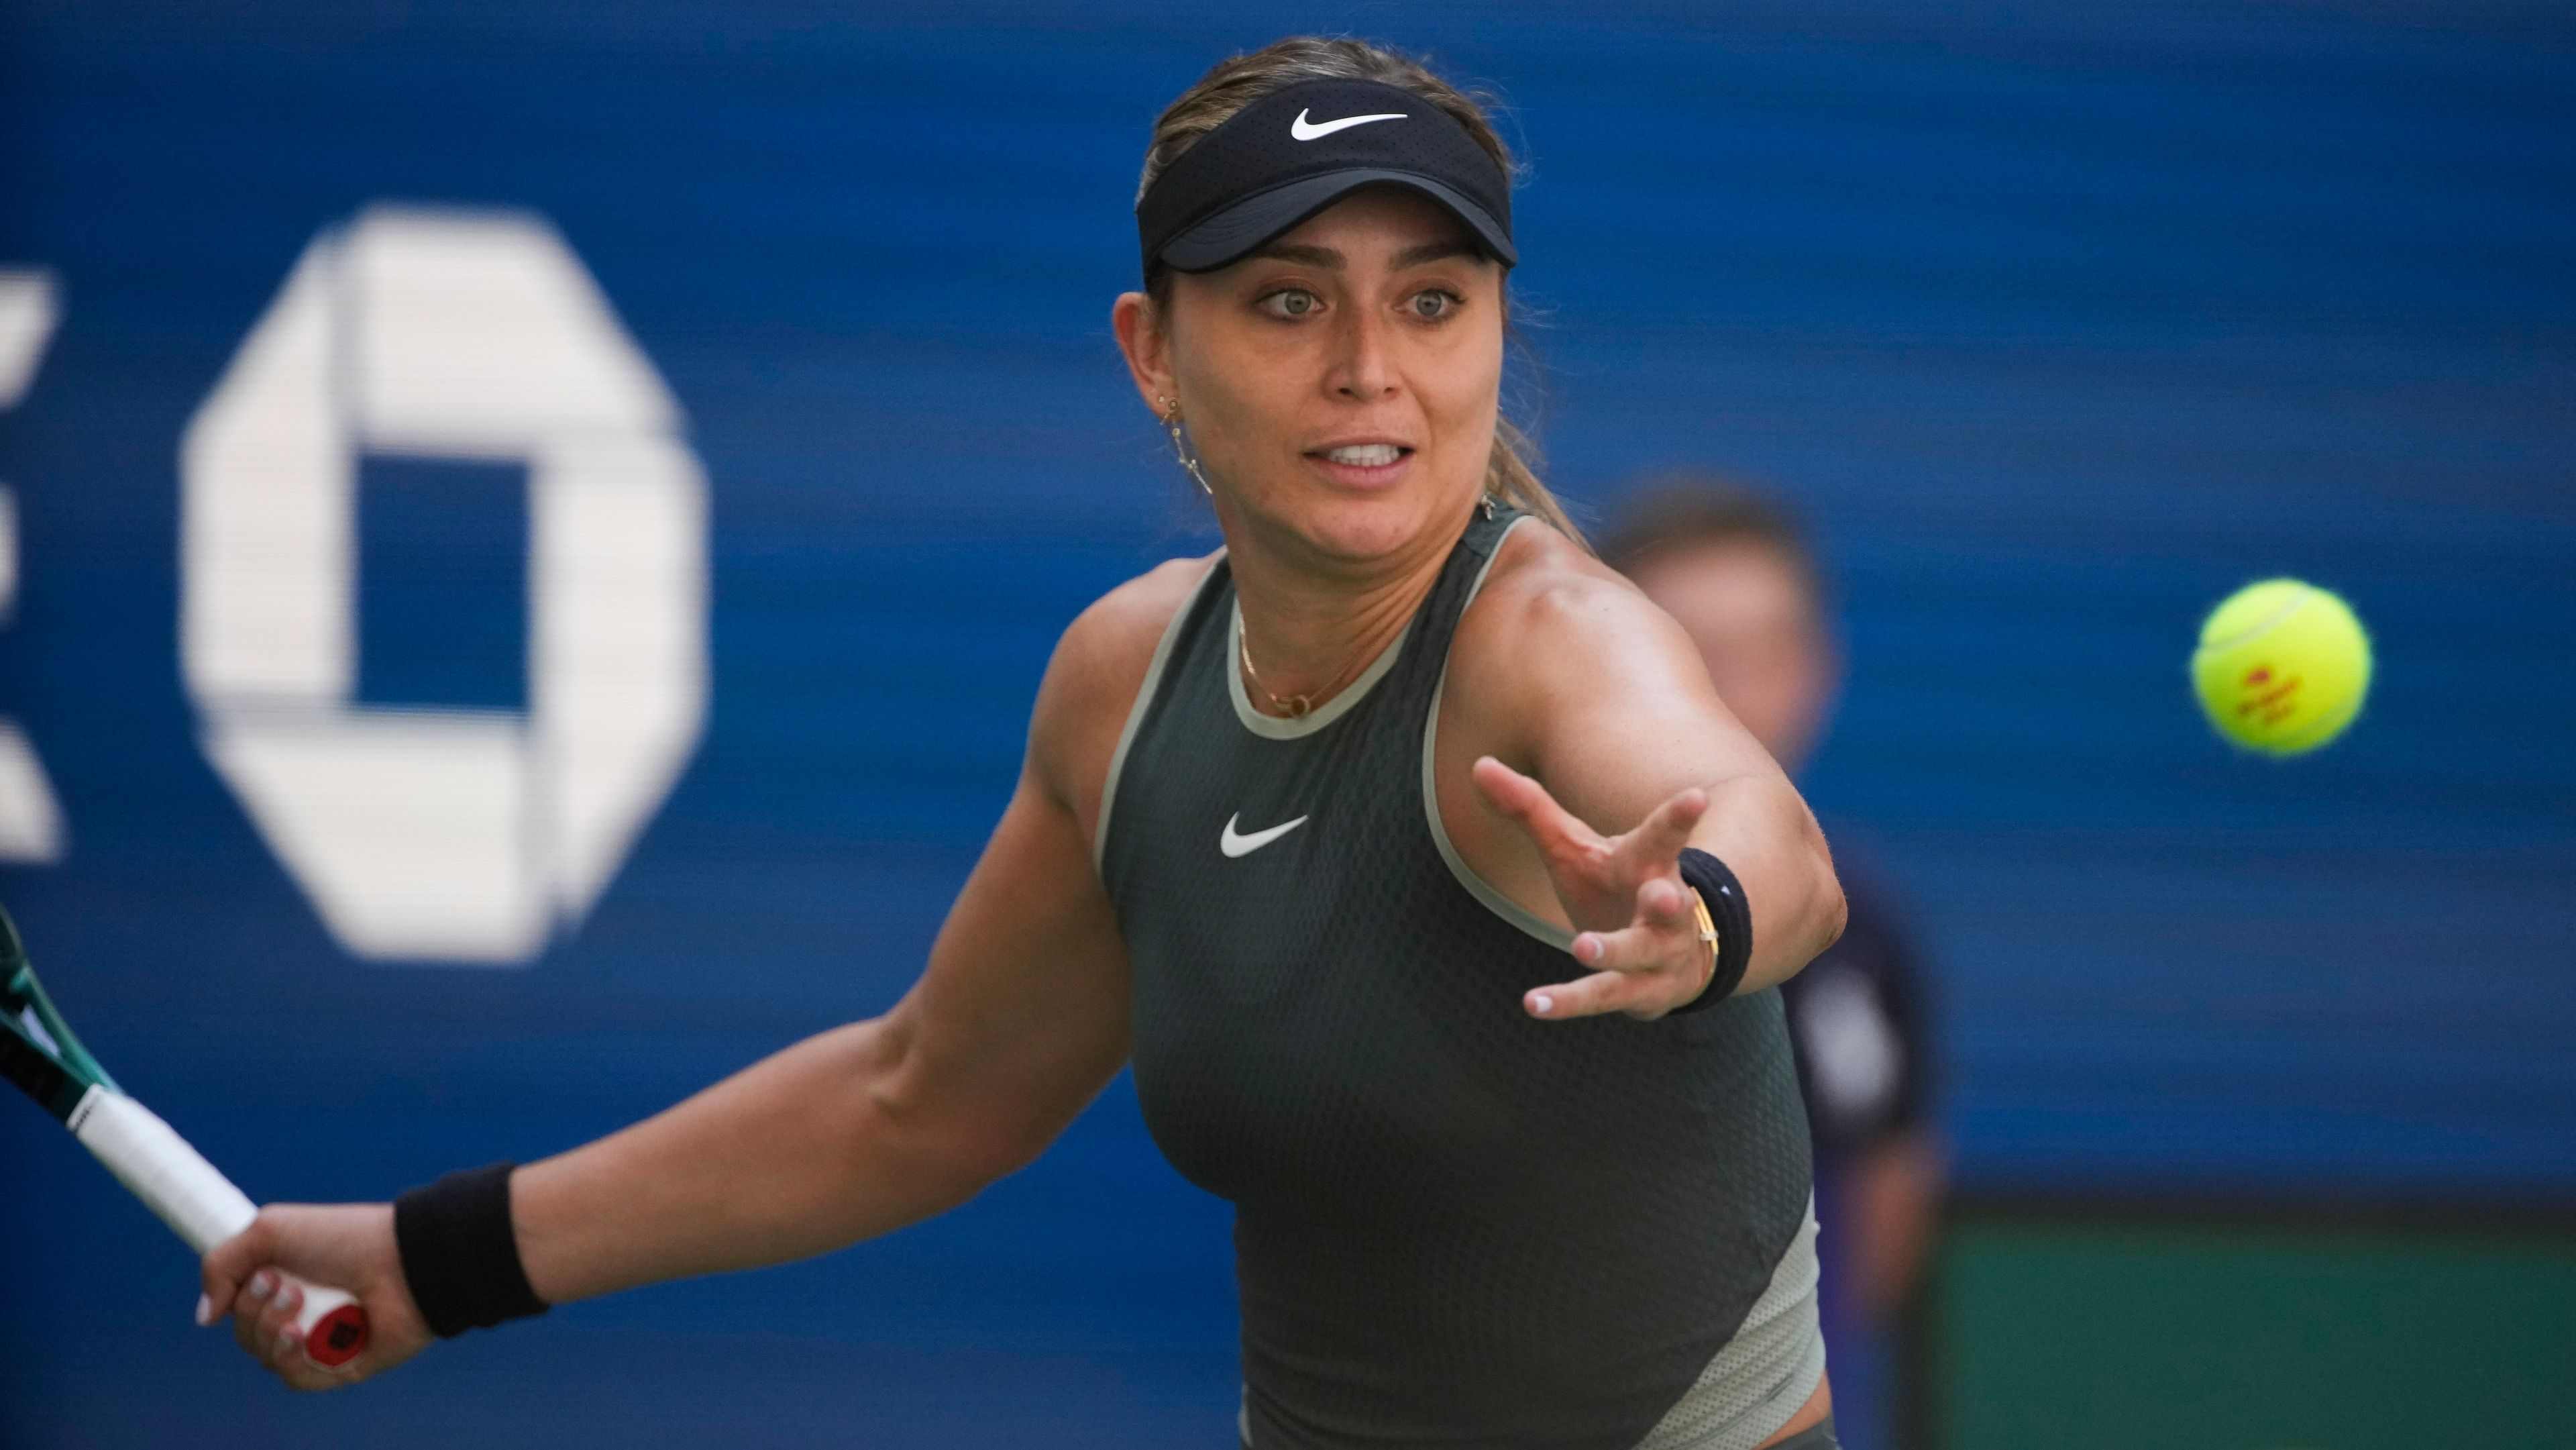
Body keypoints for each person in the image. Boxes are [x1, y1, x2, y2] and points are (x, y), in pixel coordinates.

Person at [203, 39, 1849, 1450]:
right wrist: (438, 1262)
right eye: (1290, 301)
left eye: (1433, 301)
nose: (1372, 371)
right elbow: (916, 1096)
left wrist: (1698, 911)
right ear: (1153, 354)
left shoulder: (1556, 642)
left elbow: (1772, 841)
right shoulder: (1125, 680)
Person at [1603, 483, 1944, 1450]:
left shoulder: (1869, 929)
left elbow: (1891, 1188)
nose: (1740, 692)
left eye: (1769, 650)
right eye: (1695, 655)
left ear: (1821, 669)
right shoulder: (1524, 907)